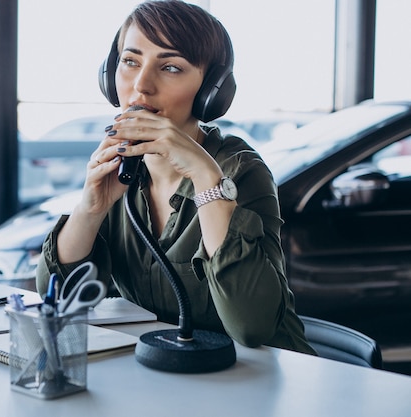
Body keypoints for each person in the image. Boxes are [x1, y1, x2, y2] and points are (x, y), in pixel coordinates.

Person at [36, 0, 316, 355]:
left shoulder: (240, 170)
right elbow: (58, 301)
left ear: (211, 91)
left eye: (169, 67)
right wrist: (91, 208)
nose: (141, 85)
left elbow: (252, 327)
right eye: (130, 61)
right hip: (161, 376)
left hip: (260, 382)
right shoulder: (122, 169)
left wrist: (204, 177)